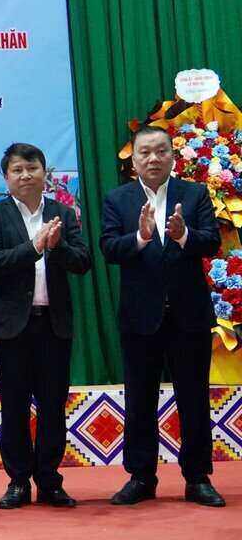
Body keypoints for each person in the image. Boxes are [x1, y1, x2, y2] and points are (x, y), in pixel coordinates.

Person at [101, 126, 226, 507]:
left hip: (188, 316)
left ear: (173, 155)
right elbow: (108, 247)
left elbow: (212, 242)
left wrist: (185, 235)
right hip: (140, 318)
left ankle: (198, 478)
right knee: (139, 400)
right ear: (133, 159)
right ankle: (141, 477)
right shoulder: (118, 200)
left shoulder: (194, 194)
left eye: (160, 151)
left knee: (193, 398)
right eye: (145, 153)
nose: (153, 159)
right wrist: (139, 238)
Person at [0, 142, 92, 509]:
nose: (25, 175)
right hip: (13, 327)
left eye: (32, 168)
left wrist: (56, 247)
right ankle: (17, 482)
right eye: (17, 170)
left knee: (53, 406)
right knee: (13, 406)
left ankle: (49, 480)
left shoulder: (63, 211)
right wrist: (34, 247)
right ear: (6, 177)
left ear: (45, 173)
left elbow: (83, 262)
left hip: (53, 325)